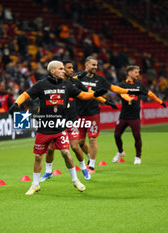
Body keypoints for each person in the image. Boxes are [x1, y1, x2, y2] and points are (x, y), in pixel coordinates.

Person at [9, 60, 107, 195]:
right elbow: (26, 94)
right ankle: (35, 184)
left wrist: (95, 94)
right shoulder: (41, 85)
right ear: (52, 71)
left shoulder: (67, 85)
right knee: (38, 157)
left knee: (66, 153)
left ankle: (76, 181)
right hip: (44, 127)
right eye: (61, 69)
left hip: (60, 127)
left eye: (63, 68)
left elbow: (83, 95)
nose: (64, 71)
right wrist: (16, 103)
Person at [39, 60, 118, 182]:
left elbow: (89, 93)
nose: (72, 70)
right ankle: (48, 171)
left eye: (72, 68)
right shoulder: (52, 84)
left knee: (75, 146)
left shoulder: (75, 83)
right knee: (50, 148)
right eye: (69, 68)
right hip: (57, 120)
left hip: (72, 119)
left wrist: (105, 101)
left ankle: (83, 168)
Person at [76, 56, 137, 172]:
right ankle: (89, 157)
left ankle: (92, 165)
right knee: (80, 142)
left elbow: (113, 88)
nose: (95, 67)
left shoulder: (100, 79)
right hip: (78, 113)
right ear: (86, 65)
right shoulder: (78, 77)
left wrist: (127, 91)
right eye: (93, 65)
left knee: (92, 138)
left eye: (96, 65)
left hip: (93, 113)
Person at [112, 65, 166, 164]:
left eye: (138, 72)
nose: (138, 74)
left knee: (137, 137)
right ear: (129, 73)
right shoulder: (122, 85)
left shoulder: (140, 85)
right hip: (123, 115)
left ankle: (138, 157)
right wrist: (130, 99)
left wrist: (160, 102)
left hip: (135, 117)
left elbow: (150, 94)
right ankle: (120, 152)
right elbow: (123, 94)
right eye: (136, 72)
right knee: (116, 135)